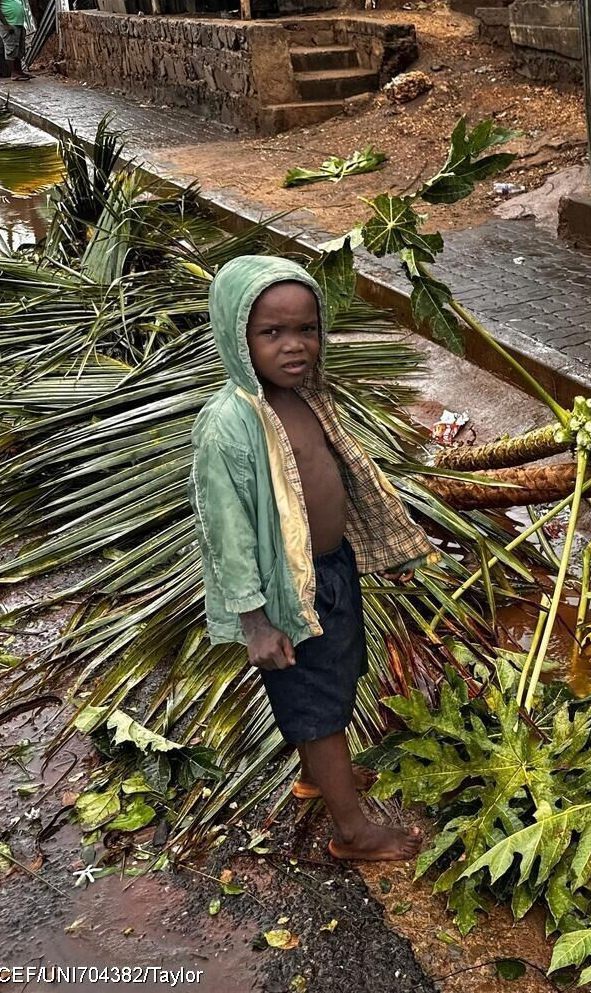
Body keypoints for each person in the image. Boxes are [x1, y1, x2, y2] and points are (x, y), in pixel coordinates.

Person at [192, 255, 431, 861]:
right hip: (284, 594)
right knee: (314, 700)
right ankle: (351, 832)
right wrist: (255, 619)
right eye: (272, 333)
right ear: (236, 336)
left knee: (339, 677)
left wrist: (387, 547)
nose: (294, 346)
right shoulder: (229, 424)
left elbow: (347, 476)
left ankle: (321, 779)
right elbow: (228, 532)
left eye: (306, 329)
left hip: (331, 570)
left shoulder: (306, 397)